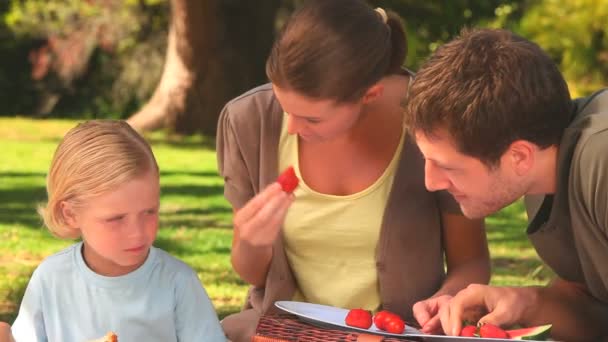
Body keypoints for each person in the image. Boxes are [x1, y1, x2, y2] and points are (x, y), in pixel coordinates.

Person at [216, 0, 490, 340]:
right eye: (285, 108)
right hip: (285, 332)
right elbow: (253, 274)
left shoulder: (436, 125)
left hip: (398, 333)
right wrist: (251, 241)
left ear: (369, 94)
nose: (291, 128)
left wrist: (442, 306)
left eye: (312, 118)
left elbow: (471, 262)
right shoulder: (248, 121)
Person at [404, 28, 608, 341]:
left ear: (519, 156)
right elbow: (597, 312)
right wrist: (526, 303)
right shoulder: (542, 174)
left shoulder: (601, 160)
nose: (431, 182)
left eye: (447, 166)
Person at [8, 121, 226, 341]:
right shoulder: (51, 279)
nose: (137, 233)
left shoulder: (177, 282)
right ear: (70, 214)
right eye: (116, 219)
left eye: (150, 212)